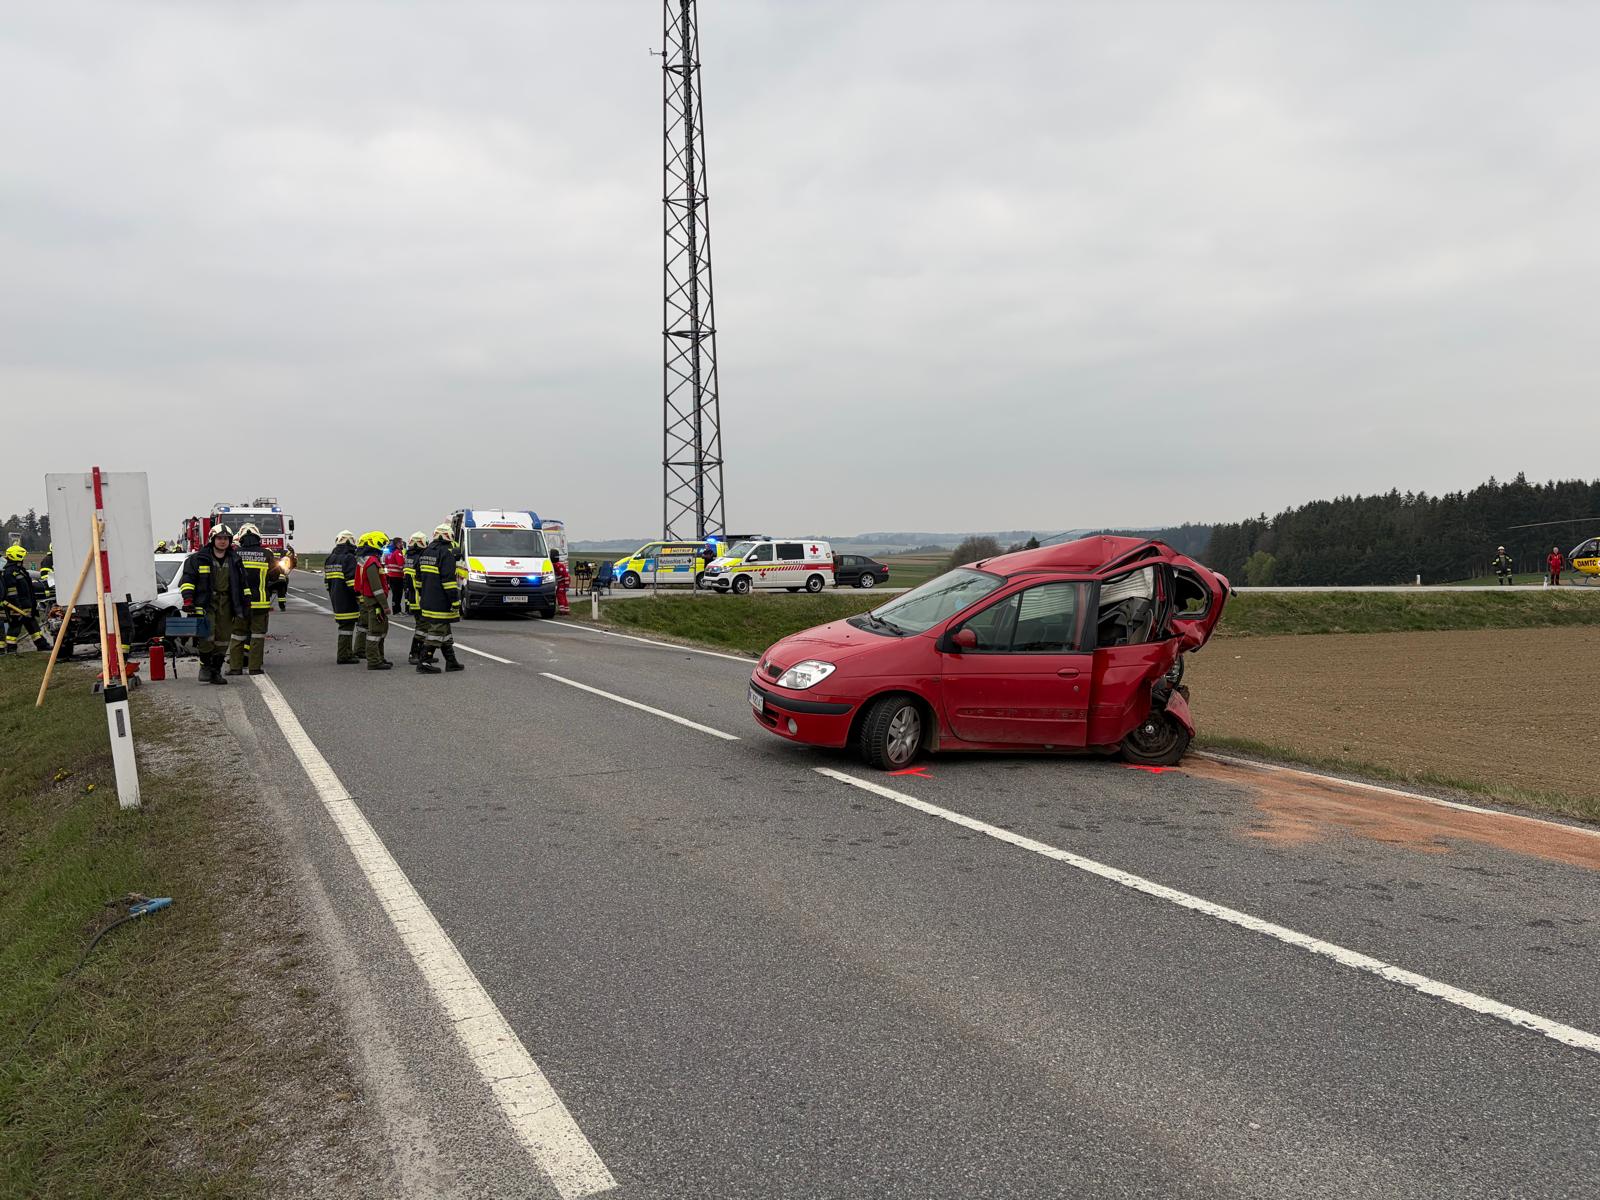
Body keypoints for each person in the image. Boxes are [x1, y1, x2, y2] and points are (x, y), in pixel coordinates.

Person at [179, 524, 244, 684]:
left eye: (226, 538)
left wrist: (245, 604)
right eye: (219, 538)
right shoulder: (198, 559)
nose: (223, 541)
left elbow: (243, 584)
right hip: (206, 603)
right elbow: (187, 580)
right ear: (212, 539)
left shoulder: (235, 560)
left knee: (223, 639)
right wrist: (188, 599)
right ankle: (205, 667)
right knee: (207, 636)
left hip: (227, 604)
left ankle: (216, 671)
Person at [231, 523, 282, 674]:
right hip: (260, 603)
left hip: (240, 604)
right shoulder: (267, 554)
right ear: (258, 538)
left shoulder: (234, 554)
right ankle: (254, 668)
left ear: (241, 538)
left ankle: (235, 668)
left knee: (237, 635)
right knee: (257, 636)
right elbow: (275, 576)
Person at [413, 522, 463, 674]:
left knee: (444, 631)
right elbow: (449, 581)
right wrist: (455, 601)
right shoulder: (446, 554)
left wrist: (424, 593)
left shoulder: (425, 552)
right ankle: (424, 662)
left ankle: (451, 662)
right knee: (436, 632)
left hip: (427, 599)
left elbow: (418, 578)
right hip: (441, 601)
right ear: (450, 537)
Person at [352, 531, 393, 670]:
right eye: (382, 544)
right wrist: (384, 605)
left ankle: (379, 657)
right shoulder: (372, 562)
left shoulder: (371, 560)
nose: (383, 548)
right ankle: (374, 661)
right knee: (375, 632)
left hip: (375, 601)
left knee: (381, 630)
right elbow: (376, 587)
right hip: (375, 602)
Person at [2, 544, 51, 653]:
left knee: (33, 626)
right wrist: (17, 607)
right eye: (22, 556)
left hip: (27, 605)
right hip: (17, 606)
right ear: (17, 556)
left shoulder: (20, 570)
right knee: (15, 627)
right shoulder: (9, 572)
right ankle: (11, 649)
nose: (23, 558)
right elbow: (12, 593)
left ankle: (42, 645)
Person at [325, 530, 362, 664]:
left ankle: (346, 653)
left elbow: (327, 582)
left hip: (336, 597)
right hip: (347, 598)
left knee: (344, 626)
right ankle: (344, 655)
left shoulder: (330, 558)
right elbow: (352, 582)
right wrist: (360, 596)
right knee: (347, 627)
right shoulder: (349, 558)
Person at [403, 531, 426, 663]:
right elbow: (419, 581)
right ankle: (414, 654)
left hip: (412, 597)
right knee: (422, 628)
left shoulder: (409, 557)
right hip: (419, 597)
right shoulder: (419, 558)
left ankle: (422, 654)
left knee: (421, 626)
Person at [384, 537, 407, 614]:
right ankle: (397, 611)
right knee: (398, 595)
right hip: (397, 577)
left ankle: (395, 610)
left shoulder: (389, 553)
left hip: (391, 576)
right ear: (398, 543)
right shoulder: (398, 552)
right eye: (401, 542)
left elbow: (386, 565)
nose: (402, 544)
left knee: (394, 595)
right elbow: (401, 565)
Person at [552, 548, 571, 616]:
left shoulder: (557, 565)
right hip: (562, 582)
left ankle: (562, 610)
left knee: (560, 595)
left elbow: (565, 575)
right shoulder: (558, 565)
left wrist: (566, 585)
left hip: (563, 582)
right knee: (563, 595)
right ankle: (566, 610)